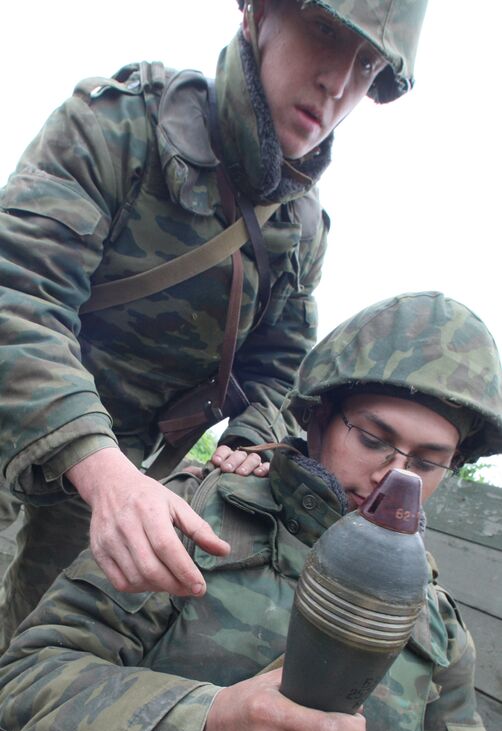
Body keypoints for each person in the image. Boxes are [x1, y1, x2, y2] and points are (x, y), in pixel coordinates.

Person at [0, 290, 499, 731]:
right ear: (321, 417)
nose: (396, 477)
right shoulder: (195, 518)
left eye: (430, 459)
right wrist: (201, 728)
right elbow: (26, 681)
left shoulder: (440, 628)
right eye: (374, 438)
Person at [0, 0, 428, 652]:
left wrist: (253, 445)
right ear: (259, 12)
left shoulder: (298, 230)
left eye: (367, 64)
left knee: (36, 644)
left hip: (125, 459)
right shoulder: (120, 125)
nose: (339, 83)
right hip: (36, 415)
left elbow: (282, 363)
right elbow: (19, 296)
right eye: (325, 33)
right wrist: (102, 468)